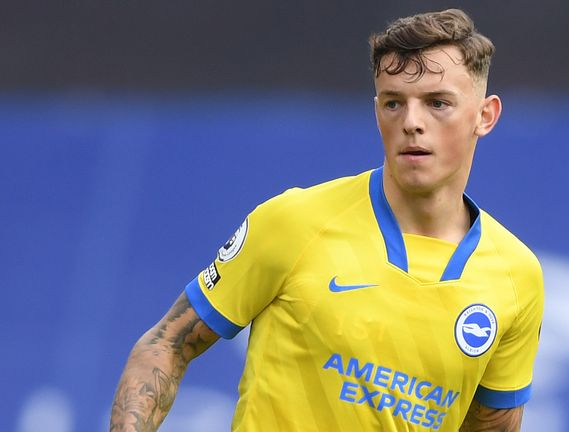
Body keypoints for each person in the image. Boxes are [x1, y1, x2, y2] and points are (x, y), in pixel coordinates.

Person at [110, 8, 543, 432]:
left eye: (437, 103)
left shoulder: (516, 278)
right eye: (394, 102)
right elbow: (165, 345)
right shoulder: (294, 222)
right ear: (378, 113)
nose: (412, 122)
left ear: (485, 116)